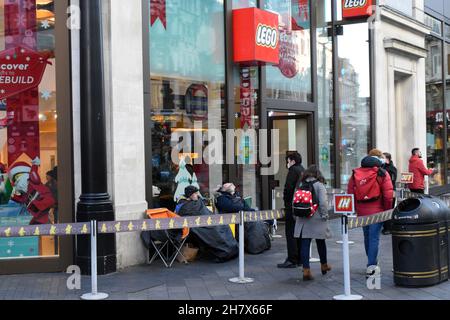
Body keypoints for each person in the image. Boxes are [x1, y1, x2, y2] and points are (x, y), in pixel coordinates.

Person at [347, 149, 393, 278]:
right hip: (377, 211)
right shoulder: (382, 173)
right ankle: (371, 266)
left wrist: (356, 208)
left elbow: (350, 192)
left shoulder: (355, 173)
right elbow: (388, 195)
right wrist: (387, 210)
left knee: (367, 238)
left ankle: (371, 263)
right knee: (374, 239)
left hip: (362, 211)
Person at [177, 186, 239, 262]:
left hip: (206, 220)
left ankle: (230, 250)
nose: (198, 194)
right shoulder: (184, 205)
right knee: (215, 230)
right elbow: (185, 217)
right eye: (195, 193)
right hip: (197, 225)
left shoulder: (198, 202)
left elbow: (205, 212)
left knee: (224, 226)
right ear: (190, 195)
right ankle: (223, 252)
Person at [293, 165, 332, 281]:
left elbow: (294, 201)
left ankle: (306, 271)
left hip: (302, 218)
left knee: (305, 244)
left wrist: (295, 215)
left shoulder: (300, 185)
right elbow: (323, 203)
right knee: (321, 242)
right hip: (317, 218)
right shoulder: (319, 185)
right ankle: (324, 265)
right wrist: (325, 215)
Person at [215, 183, 271, 254]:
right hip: (233, 219)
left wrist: (250, 211)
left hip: (243, 216)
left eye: (232, 184)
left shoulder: (237, 196)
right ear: (224, 189)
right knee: (254, 223)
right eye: (228, 185)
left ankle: (264, 245)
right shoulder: (221, 198)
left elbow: (246, 207)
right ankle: (256, 247)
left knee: (260, 221)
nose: (232, 185)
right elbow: (231, 207)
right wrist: (247, 210)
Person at [278, 151, 305, 269]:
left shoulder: (293, 171)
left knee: (291, 233)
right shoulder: (302, 170)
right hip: (301, 205)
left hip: (292, 207)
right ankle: (300, 258)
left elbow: (288, 188)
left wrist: (286, 202)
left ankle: (292, 259)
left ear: (292, 161)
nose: (287, 163)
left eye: (287, 161)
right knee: (299, 233)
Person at [381, 153, 397, 235]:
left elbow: (393, 180)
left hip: (391, 192)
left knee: (389, 209)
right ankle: (385, 226)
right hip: (383, 192)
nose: (381, 159)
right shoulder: (382, 166)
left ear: (387, 159)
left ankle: (389, 228)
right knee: (384, 210)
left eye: (382, 157)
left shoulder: (392, 168)